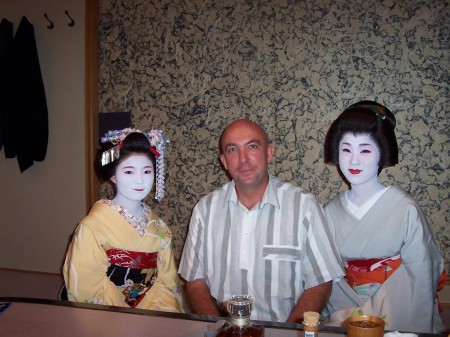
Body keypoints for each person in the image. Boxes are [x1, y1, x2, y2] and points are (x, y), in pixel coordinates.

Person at [178, 119, 344, 323]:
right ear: (224, 161)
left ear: (269, 153)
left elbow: (321, 282)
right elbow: (194, 281)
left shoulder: (304, 207)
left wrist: (287, 334)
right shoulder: (205, 210)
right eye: (232, 150)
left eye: (252, 147)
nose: (243, 159)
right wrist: (221, 331)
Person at [322, 101, 446, 333]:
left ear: (382, 154)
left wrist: (374, 315)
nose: (354, 160)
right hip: (343, 311)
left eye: (365, 150)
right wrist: (349, 317)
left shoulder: (404, 208)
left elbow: (421, 271)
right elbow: (329, 274)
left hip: (401, 310)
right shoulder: (329, 211)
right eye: (346, 149)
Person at [63, 128, 182, 312]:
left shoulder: (159, 227)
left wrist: (154, 312)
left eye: (147, 171)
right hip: (109, 315)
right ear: (113, 175)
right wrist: (127, 317)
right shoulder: (92, 226)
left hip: (153, 308)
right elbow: (88, 283)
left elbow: (166, 279)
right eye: (128, 172)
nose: (140, 180)